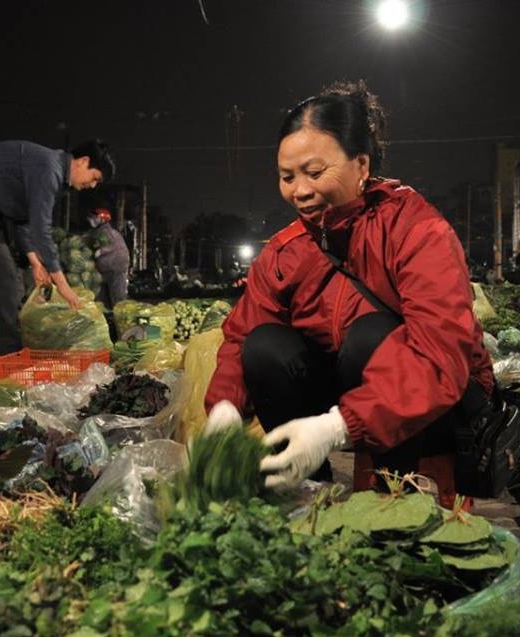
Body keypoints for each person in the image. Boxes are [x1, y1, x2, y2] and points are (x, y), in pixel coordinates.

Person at [204, 81, 493, 489]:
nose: (300, 190)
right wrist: (225, 410)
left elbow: (440, 354)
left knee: (371, 336)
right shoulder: (287, 250)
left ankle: (393, 493)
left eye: (315, 172)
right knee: (264, 345)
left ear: (361, 165)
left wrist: (336, 427)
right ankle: (305, 490)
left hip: (436, 396)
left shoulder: (416, 229)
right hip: (352, 396)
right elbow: (242, 335)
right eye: (287, 176)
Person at [0, 139, 114, 359]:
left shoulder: (54, 175)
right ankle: (8, 359)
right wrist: (62, 284)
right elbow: (41, 230)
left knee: (6, 279)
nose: (92, 185)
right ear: (83, 161)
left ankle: (8, 354)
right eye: (95, 178)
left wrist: (35, 262)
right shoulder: (49, 169)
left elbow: (23, 220)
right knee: (3, 280)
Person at [86, 208, 130, 310]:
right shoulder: (98, 232)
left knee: (118, 298)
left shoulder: (108, 232)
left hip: (115, 267)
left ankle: (122, 320)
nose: (91, 220)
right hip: (106, 269)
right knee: (103, 298)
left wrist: (101, 251)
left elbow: (114, 246)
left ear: (102, 219)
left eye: (94, 218)